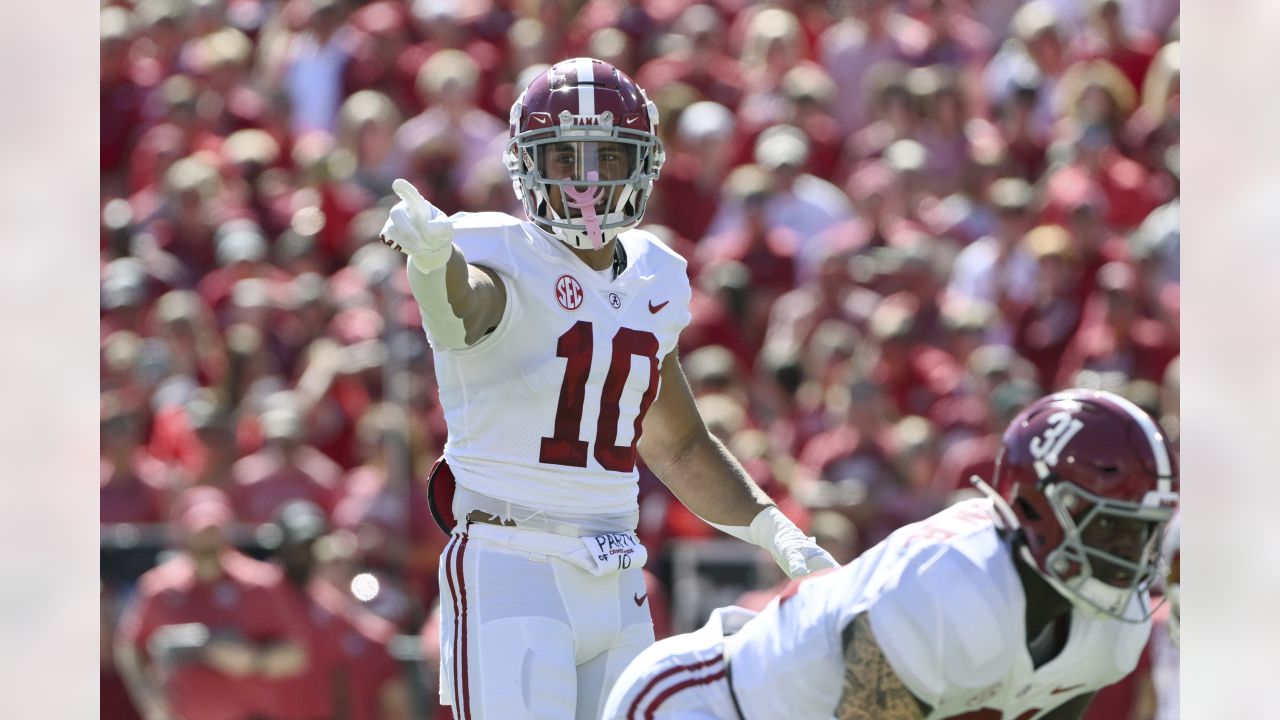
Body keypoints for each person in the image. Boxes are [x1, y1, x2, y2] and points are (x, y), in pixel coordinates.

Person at [377, 57, 836, 720]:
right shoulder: (496, 250)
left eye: (608, 158)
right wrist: (432, 264)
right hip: (514, 563)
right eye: (563, 158)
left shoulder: (656, 273)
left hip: (618, 573)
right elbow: (465, 308)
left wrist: (779, 534)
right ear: (525, 164)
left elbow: (678, 444)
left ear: (643, 164)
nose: (588, 180)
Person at [603, 388, 1179, 720]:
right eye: (1114, 527)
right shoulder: (952, 585)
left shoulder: (1114, 626)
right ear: (1036, 508)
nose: (1135, 551)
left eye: (1146, 529)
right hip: (706, 707)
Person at [115, 487, 308, 720]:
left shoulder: (261, 583)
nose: (209, 538)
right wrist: (149, 697)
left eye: (215, 529)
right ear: (185, 531)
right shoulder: (159, 587)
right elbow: (129, 646)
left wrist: (251, 660)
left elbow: (297, 655)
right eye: (201, 529)